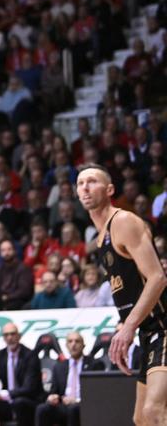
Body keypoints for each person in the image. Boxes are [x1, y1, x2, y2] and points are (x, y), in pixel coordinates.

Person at [80, 163, 167, 426]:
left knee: (155, 411)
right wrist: (126, 325)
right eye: (80, 183)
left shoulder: (124, 221)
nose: (85, 187)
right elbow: (130, 288)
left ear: (109, 189)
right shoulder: (100, 238)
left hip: (164, 325)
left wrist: (128, 328)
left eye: (92, 181)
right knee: (141, 418)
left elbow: (157, 278)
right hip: (148, 330)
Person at [0, 322, 43, 426]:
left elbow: (29, 388)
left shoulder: (30, 356)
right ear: (3, 338)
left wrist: (0, 395)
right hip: (7, 403)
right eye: (6, 335)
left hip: (28, 401)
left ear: (19, 336)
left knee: (19, 402)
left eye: (12, 334)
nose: (10, 337)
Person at [35, 331, 98, 426]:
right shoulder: (59, 366)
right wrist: (53, 397)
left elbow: (96, 392)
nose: (73, 344)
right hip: (63, 404)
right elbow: (54, 390)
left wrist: (77, 400)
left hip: (84, 405)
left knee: (73, 409)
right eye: (70, 341)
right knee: (42, 409)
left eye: (77, 341)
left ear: (83, 345)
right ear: (66, 345)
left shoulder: (94, 364)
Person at [0, 239, 34, 310]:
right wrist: (0, 297)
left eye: (9, 249)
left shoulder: (23, 268)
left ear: (14, 251)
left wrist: (8, 297)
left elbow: (25, 291)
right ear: (0, 253)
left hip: (18, 302)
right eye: (3, 250)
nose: (6, 253)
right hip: (1, 301)